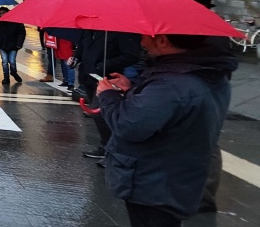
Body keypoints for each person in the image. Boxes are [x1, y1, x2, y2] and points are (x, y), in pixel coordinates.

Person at [96, 34, 233, 226]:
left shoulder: (170, 83)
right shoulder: (207, 72)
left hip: (154, 183)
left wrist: (108, 96)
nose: (142, 43)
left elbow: (128, 125)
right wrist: (133, 89)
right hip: (179, 176)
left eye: (145, 37)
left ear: (162, 41)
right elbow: (169, 107)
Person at [73, 30, 142, 160]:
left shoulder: (122, 31)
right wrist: (76, 58)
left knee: (100, 112)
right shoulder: (89, 29)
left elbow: (131, 55)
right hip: (88, 77)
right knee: (98, 113)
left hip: (107, 78)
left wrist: (103, 66)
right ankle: (107, 147)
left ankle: (113, 150)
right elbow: (83, 45)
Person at [0, 7, 25, 84]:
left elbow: (21, 33)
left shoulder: (16, 21)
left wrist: (19, 44)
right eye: (0, 13)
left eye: (4, 12)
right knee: (4, 61)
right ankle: (6, 77)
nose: (2, 14)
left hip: (13, 45)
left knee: (12, 61)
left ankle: (13, 72)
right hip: (3, 44)